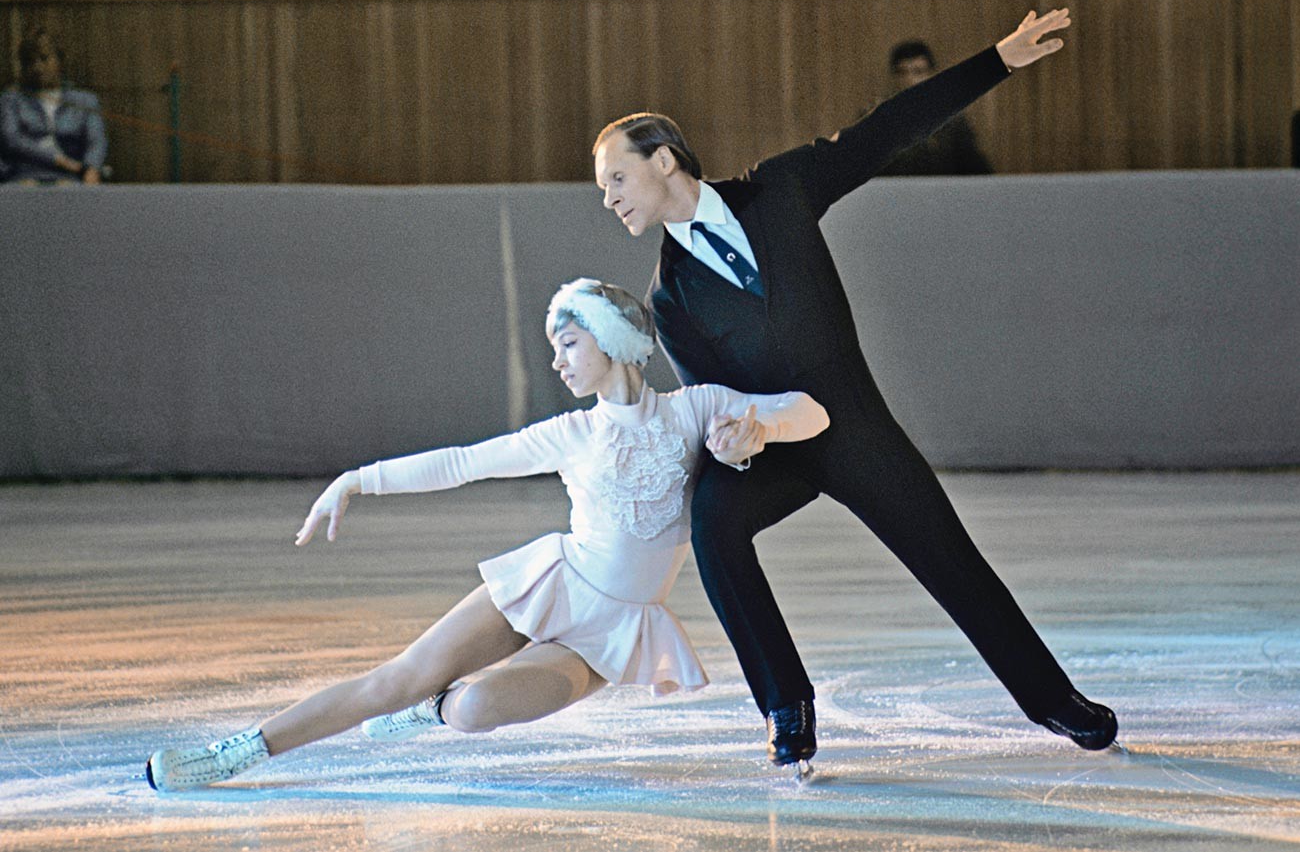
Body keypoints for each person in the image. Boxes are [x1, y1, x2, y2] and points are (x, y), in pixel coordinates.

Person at [590, 8, 1120, 772]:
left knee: (950, 557)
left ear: (666, 158)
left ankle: (1052, 700)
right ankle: (786, 705)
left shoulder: (779, 190)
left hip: (854, 429)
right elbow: (713, 400)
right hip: (776, 448)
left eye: (616, 176)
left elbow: (884, 131)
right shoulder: (669, 299)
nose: (608, 197)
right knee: (713, 521)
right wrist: (735, 436)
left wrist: (996, 61)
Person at [143, 279, 830, 791]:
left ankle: (435, 709)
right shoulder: (572, 433)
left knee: (473, 709)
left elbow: (809, 411)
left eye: (569, 343)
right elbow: (463, 462)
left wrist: (761, 428)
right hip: (553, 583)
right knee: (396, 678)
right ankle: (239, 750)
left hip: (615, 628)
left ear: (614, 339)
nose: (559, 362)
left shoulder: (696, 407)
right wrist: (358, 478)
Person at [0, 30, 108, 186]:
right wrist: (58, 160)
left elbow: (96, 141)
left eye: (44, 59)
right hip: (22, 176)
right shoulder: (11, 99)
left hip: (71, 178)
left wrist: (92, 169)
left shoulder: (85, 100)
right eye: (29, 61)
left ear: (60, 60)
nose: (37, 67)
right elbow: (12, 141)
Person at [876, 40, 993, 175]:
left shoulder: (952, 122)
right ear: (894, 77)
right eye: (902, 72)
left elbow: (978, 172)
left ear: (931, 75)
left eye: (918, 71)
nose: (909, 80)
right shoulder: (878, 121)